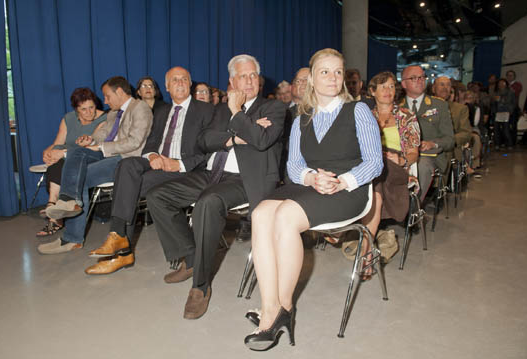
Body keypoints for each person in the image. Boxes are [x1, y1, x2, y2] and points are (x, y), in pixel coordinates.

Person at [244, 48, 382, 351]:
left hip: (350, 191)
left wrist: (340, 181)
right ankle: (270, 309)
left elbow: (375, 163)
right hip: (310, 186)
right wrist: (311, 178)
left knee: (285, 217)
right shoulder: (302, 116)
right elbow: (293, 166)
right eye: (325, 72)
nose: (332, 78)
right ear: (312, 79)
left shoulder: (357, 110)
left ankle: (284, 307)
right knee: (261, 214)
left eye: (337, 72)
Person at [146, 54, 285, 320]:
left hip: (247, 179)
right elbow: (203, 141)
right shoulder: (219, 110)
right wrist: (236, 136)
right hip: (213, 172)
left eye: (253, 75)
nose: (248, 81)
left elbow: (261, 139)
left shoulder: (274, 109)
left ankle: (200, 286)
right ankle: (190, 257)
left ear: (260, 81)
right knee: (158, 196)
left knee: (208, 202)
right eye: (242, 76)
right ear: (232, 81)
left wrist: (237, 114)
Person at [84, 67, 214, 275]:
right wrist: (152, 155)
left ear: (189, 84)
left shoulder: (206, 110)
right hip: (157, 163)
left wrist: (178, 163)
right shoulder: (161, 111)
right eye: (174, 80)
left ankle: (122, 251)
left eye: (184, 79)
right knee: (126, 166)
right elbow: (151, 142)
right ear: (167, 87)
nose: (179, 83)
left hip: (186, 169)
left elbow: (210, 150)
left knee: (128, 185)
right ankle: (118, 239)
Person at [38, 76, 153, 254]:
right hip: (108, 154)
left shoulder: (140, 108)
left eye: (107, 96)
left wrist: (99, 146)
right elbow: (103, 134)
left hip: (126, 159)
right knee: (76, 152)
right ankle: (69, 202)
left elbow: (135, 142)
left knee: (80, 175)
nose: (105, 101)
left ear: (120, 92)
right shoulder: (114, 112)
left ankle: (72, 237)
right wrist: (89, 139)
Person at [37, 88, 107, 237]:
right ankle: (54, 208)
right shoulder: (68, 118)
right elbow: (58, 143)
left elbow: (92, 146)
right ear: (76, 110)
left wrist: (60, 153)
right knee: (57, 163)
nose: (89, 112)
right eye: (83, 109)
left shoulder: (104, 119)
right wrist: (49, 153)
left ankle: (53, 212)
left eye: (92, 107)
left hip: (90, 158)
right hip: (65, 157)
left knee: (62, 163)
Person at [362, 71, 420, 248]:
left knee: (377, 175)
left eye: (391, 86)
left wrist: (402, 160)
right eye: (383, 87)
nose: (388, 90)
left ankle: (363, 244)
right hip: (372, 167)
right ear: (372, 91)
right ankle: (367, 247)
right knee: (375, 177)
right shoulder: (365, 117)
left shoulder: (406, 116)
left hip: (398, 167)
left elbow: (413, 153)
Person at [400, 65, 454, 202]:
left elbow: (449, 139)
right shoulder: (397, 106)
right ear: (404, 83)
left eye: (422, 77)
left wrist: (433, 143)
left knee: (421, 166)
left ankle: (414, 208)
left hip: (430, 157)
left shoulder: (439, 105)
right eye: (413, 78)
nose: (419, 80)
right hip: (403, 155)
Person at [433, 76, 472, 163]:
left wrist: (446, 142)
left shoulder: (460, 109)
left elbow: (466, 133)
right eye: (441, 85)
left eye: (448, 85)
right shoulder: (424, 107)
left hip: (450, 150)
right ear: (433, 88)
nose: (445, 88)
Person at [491, 78, 516, 150]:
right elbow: (492, 103)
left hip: (506, 112)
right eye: (499, 84)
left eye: (503, 83)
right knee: (496, 129)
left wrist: (501, 100)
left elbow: (513, 103)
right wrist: (494, 101)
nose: (501, 85)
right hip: (497, 112)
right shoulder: (495, 92)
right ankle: (497, 144)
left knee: (506, 129)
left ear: (506, 84)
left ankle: (509, 144)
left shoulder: (510, 92)